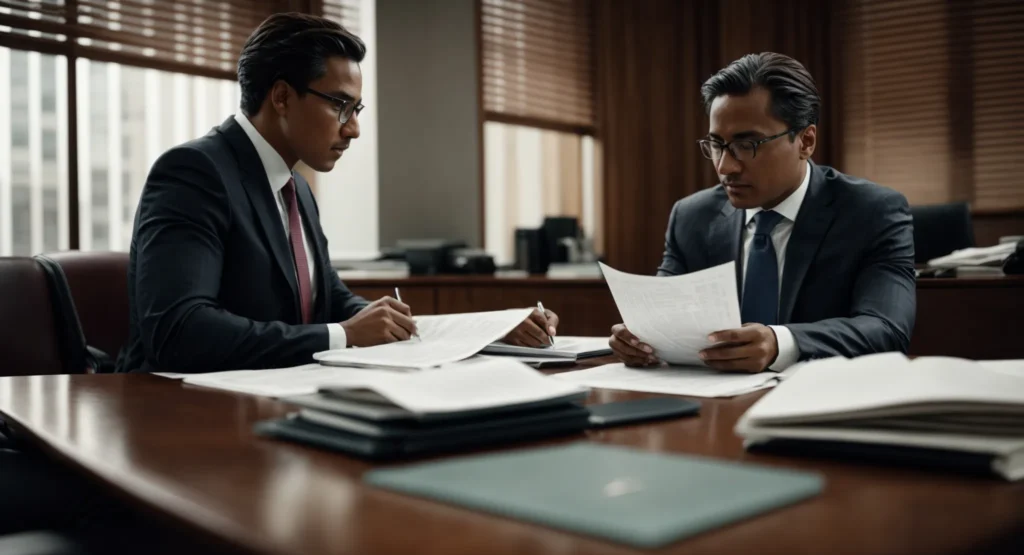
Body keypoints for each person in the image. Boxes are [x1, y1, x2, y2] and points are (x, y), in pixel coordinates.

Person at [118, 13, 555, 373]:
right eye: (340, 105)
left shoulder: (297, 190)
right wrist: (344, 335)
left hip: (272, 403)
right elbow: (178, 332)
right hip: (178, 419)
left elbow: (332, 301)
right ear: (283, 97)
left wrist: (484, 330)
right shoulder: (195, 173)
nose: (354, 128)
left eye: (356, 108)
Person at [609, 52, 915, 373]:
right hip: (710, 403)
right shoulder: (692, 217)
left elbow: (887, 328)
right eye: (716, 144)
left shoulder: (871, 212)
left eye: (748, 144)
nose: (725, 166)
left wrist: (779, 343)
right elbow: (661, 318)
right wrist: (638, 338)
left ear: (805, 141)